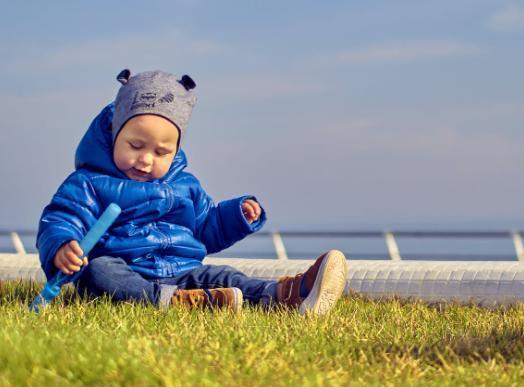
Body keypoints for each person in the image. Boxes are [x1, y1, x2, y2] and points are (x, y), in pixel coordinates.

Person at [36, 69, 348, 315]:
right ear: (113, 134)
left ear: (176, 150)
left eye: (161, 152)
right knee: (100, 272)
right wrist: (63, 245)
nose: (145, 159)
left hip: (184, 272)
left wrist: (235, 215)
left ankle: (287, 295)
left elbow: (205, 227)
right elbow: (61, 219)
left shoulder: (185, 185)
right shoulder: (89, 182)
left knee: (225, 276)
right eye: (135, 145)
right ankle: (173, 302)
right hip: (126, 271)